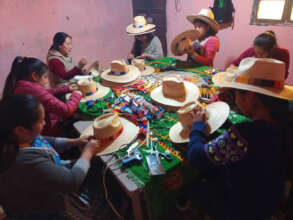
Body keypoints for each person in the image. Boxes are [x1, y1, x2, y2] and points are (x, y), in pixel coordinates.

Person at [186, 58, 293, 219]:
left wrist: (197, 127)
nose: (235, 99)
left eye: (236, 93)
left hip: (243, 208)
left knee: (194, 184)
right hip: (269, 199)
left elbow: (196, 157)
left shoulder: (246, 134)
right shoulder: (285, 122)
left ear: (250, 97)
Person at [0, 94, 101, 219]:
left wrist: (76, 141)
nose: (44, 122)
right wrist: (88, 152)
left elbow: (46, 141)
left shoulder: (18, 137)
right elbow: (71, 182)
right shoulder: (24, 161)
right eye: (41, 120)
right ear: (20, 130)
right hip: (43, 211)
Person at [2, 56, 82, 136]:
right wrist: (77, 94)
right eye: (45, 77)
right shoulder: (34, 89)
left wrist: (67, 88)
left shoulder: (21, 84)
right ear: (34, 76)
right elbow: (66, 110)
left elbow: (44, 93)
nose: (46, 81)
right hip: (43, 131)